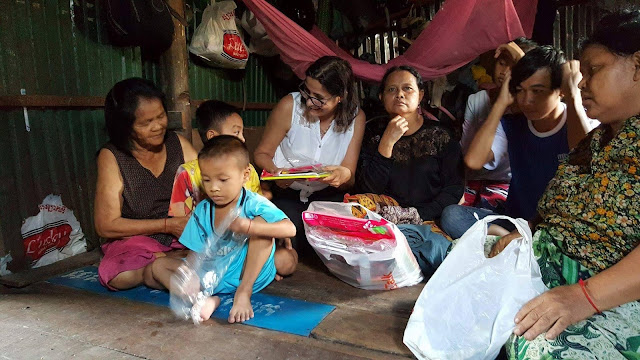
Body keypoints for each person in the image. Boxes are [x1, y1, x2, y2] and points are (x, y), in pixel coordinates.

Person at [490, 9, 640, 358]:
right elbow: (563, 208)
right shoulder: (600, 139)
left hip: (609, 290)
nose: (583, 83)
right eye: (581, 74)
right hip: (551, 265)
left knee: (532, 345)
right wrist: (523, 236)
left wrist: (582, 297)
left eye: (594, 70)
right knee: (465, 271)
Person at [441, 45, 592, 239]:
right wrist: (501, 103)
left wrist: (573, 96)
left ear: (560, 90)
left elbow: (587, 157)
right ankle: (510, 239)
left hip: (557, 224)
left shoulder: (579, 120)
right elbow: (473, 161)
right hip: (514, 220)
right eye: (520, 90)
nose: (527, 100)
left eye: (537, 91)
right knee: (452, 217)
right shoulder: (512, 125)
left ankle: (516, 242)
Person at [153, 136, 298, 323]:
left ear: (245, 175)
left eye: (223, 179)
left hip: (248, 272)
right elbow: (194, 255)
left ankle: (243, 293)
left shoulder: (253, 203)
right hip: (213, 277)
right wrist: (188, 278)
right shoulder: (204, 210)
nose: (214, 188)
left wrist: (248, 226)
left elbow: (290, 229)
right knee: (158, 267)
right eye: (206, 180)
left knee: (285, 259)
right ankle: (201, 300)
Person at [254, 56, 366, 253]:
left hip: (327, 198)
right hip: (288, 194)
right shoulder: (290, 106)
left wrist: (343, 175)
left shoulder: (356, 118)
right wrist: (275, 173)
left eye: (319, 98)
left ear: (340, 97)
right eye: (306, 91)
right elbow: (262, 154)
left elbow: (349, 176)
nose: (309, 101)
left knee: (335, 245)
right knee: (288, 240)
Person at [94, 78, 198, 290]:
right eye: (145, 123)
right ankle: (155, 269)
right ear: (126, 126)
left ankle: (170, 263)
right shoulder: (113, 156)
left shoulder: (178, 144)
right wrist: (167, 226)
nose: (157, 126)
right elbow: (106, 224)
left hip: (185, 235)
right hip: (140, 240)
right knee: (119, 273)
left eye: (161, 116)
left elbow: (209, 183)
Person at [357, 65, 464, 221]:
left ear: (420, 95)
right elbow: (366, 191)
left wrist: (418, 215)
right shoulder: (372, 135)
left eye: (407, 88)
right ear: (381, 97)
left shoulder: (441, 135)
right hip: (381, 219)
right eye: (391, 90)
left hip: (429, 221)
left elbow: (454, 189)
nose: (400, 94)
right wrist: (386, 142)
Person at [460, 38, 537, 212]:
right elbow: (468, 155)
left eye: (515, 67)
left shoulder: (533, 106)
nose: (506, 72)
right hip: (475, 180)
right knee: (452, 215)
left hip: (509, 183)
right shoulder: (477, 100)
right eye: (502, 64)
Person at [169, 100, 270, 218]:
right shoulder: (186, 174)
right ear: (213, 136)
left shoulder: (248, 170)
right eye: (236, 132)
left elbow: (257, 211)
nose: (242, 139)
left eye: (242, 132)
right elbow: (179, 221)